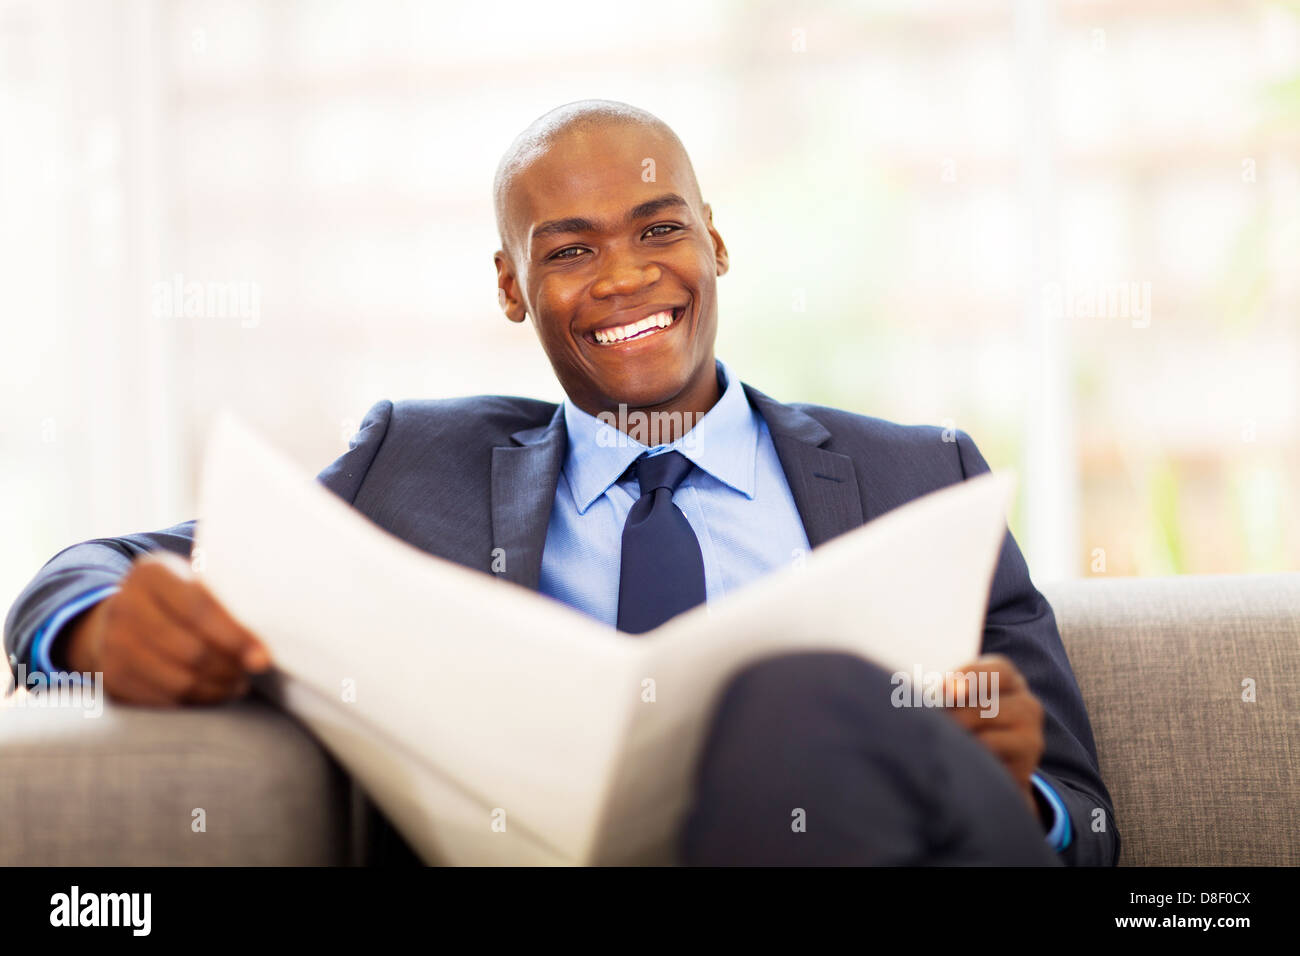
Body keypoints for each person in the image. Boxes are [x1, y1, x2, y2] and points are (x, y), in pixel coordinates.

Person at [3, 100, 1118, 866]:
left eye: (658, 229)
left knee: (800, 696)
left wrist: (1019, 787)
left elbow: (1090, 821)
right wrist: (94, 623)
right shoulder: (414, 467)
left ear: (716, 245)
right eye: (570, 249)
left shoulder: (920, 475)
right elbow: (102, 564)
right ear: (510, 285)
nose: (627, 275)